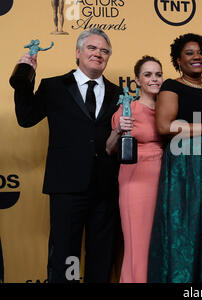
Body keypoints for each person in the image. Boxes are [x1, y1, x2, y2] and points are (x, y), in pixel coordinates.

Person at [10, 28, 122, 283]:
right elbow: (26, 119)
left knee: (101, 255)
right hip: (67, 186)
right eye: (92, 48)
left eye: (104, 51)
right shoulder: (53, 86)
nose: (98, 54)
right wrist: (24, 82)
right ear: (78, 52)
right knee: (65, 256)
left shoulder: (119, 94)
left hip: (106, 188)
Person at [147, 33, 202, 283]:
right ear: (178, 60)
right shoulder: (171, 86)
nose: (197, 56)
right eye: (189, 53)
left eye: (201, 52)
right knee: (185, 230)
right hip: (184, 169)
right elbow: (165, 126)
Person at [106, 56, 164, 283]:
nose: (154, 79)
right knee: (138, 244)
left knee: (159, 243)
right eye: (148, 75)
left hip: (165, 179)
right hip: (136, 181)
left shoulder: (167, 108)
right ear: (138, 81)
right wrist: (118, 130)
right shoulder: (129, 108)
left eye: (158, 74)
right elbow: (110, 148)